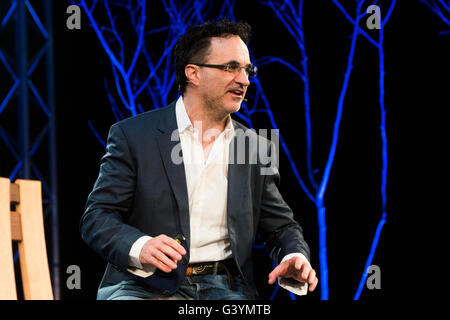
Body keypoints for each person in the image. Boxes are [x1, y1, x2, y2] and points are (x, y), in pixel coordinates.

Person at [81, 19, 318, 300]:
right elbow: (97, 217)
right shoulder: (133, 136)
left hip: (226, 287)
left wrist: (294, 254)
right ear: (193, 72)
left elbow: (280, 226)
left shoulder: (254, 146)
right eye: (231, 67)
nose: (244, 80)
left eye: (247, 70)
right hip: (145, 285)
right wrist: (140, 246)